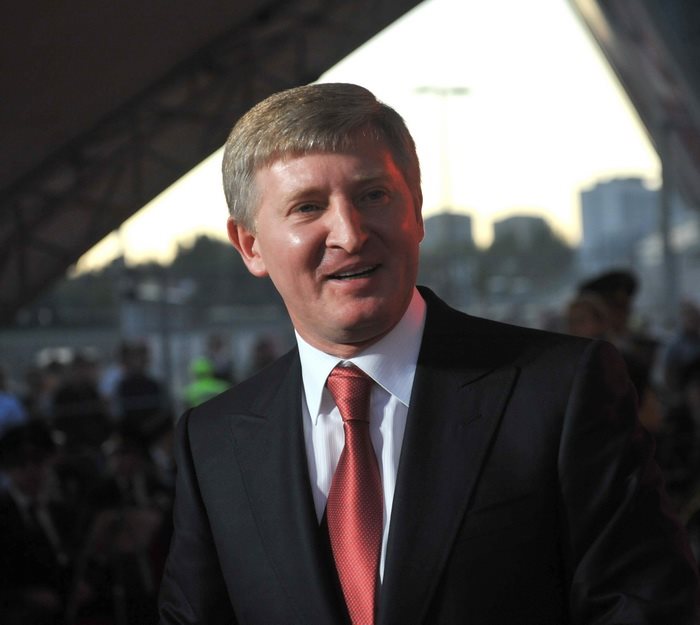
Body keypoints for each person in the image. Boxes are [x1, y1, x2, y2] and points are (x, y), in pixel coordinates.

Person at [158, 83, 699, 625]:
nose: (350, 233)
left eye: (373, 195)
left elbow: (645, 606)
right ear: (250, 245)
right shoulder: (214, 442)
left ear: (416, 210)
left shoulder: (560, 390)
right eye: (308, 207)